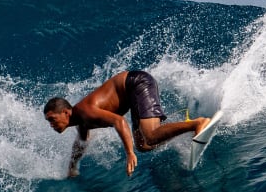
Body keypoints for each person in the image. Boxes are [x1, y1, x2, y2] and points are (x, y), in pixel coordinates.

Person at [44, 70, 210, 177]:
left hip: (137, 83)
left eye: (52, 119)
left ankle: (197, 124)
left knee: (150, 136)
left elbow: (119, 121)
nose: (51, 124)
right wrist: (72, 167)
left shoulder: (85, 112)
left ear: (66, 113)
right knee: (143, 145)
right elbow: (81, 143)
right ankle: (186, 129)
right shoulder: (81, 122)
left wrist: (129, 153)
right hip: (132, 96)